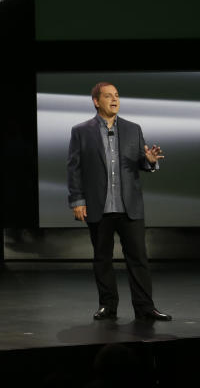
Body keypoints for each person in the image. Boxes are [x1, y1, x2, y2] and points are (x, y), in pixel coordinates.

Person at [66, 82, 171, 321]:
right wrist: (77, 200)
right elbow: (74, 169)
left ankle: (145, 307)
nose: (114, 100)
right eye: (108, 96)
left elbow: (142, 163)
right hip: (98, 205)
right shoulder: (81, 131)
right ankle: (108, 306)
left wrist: (151, 161)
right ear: (96, 101)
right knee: (102, 258)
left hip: (129, 206)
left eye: (117, 96)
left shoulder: (133, 129)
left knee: (138, 258)